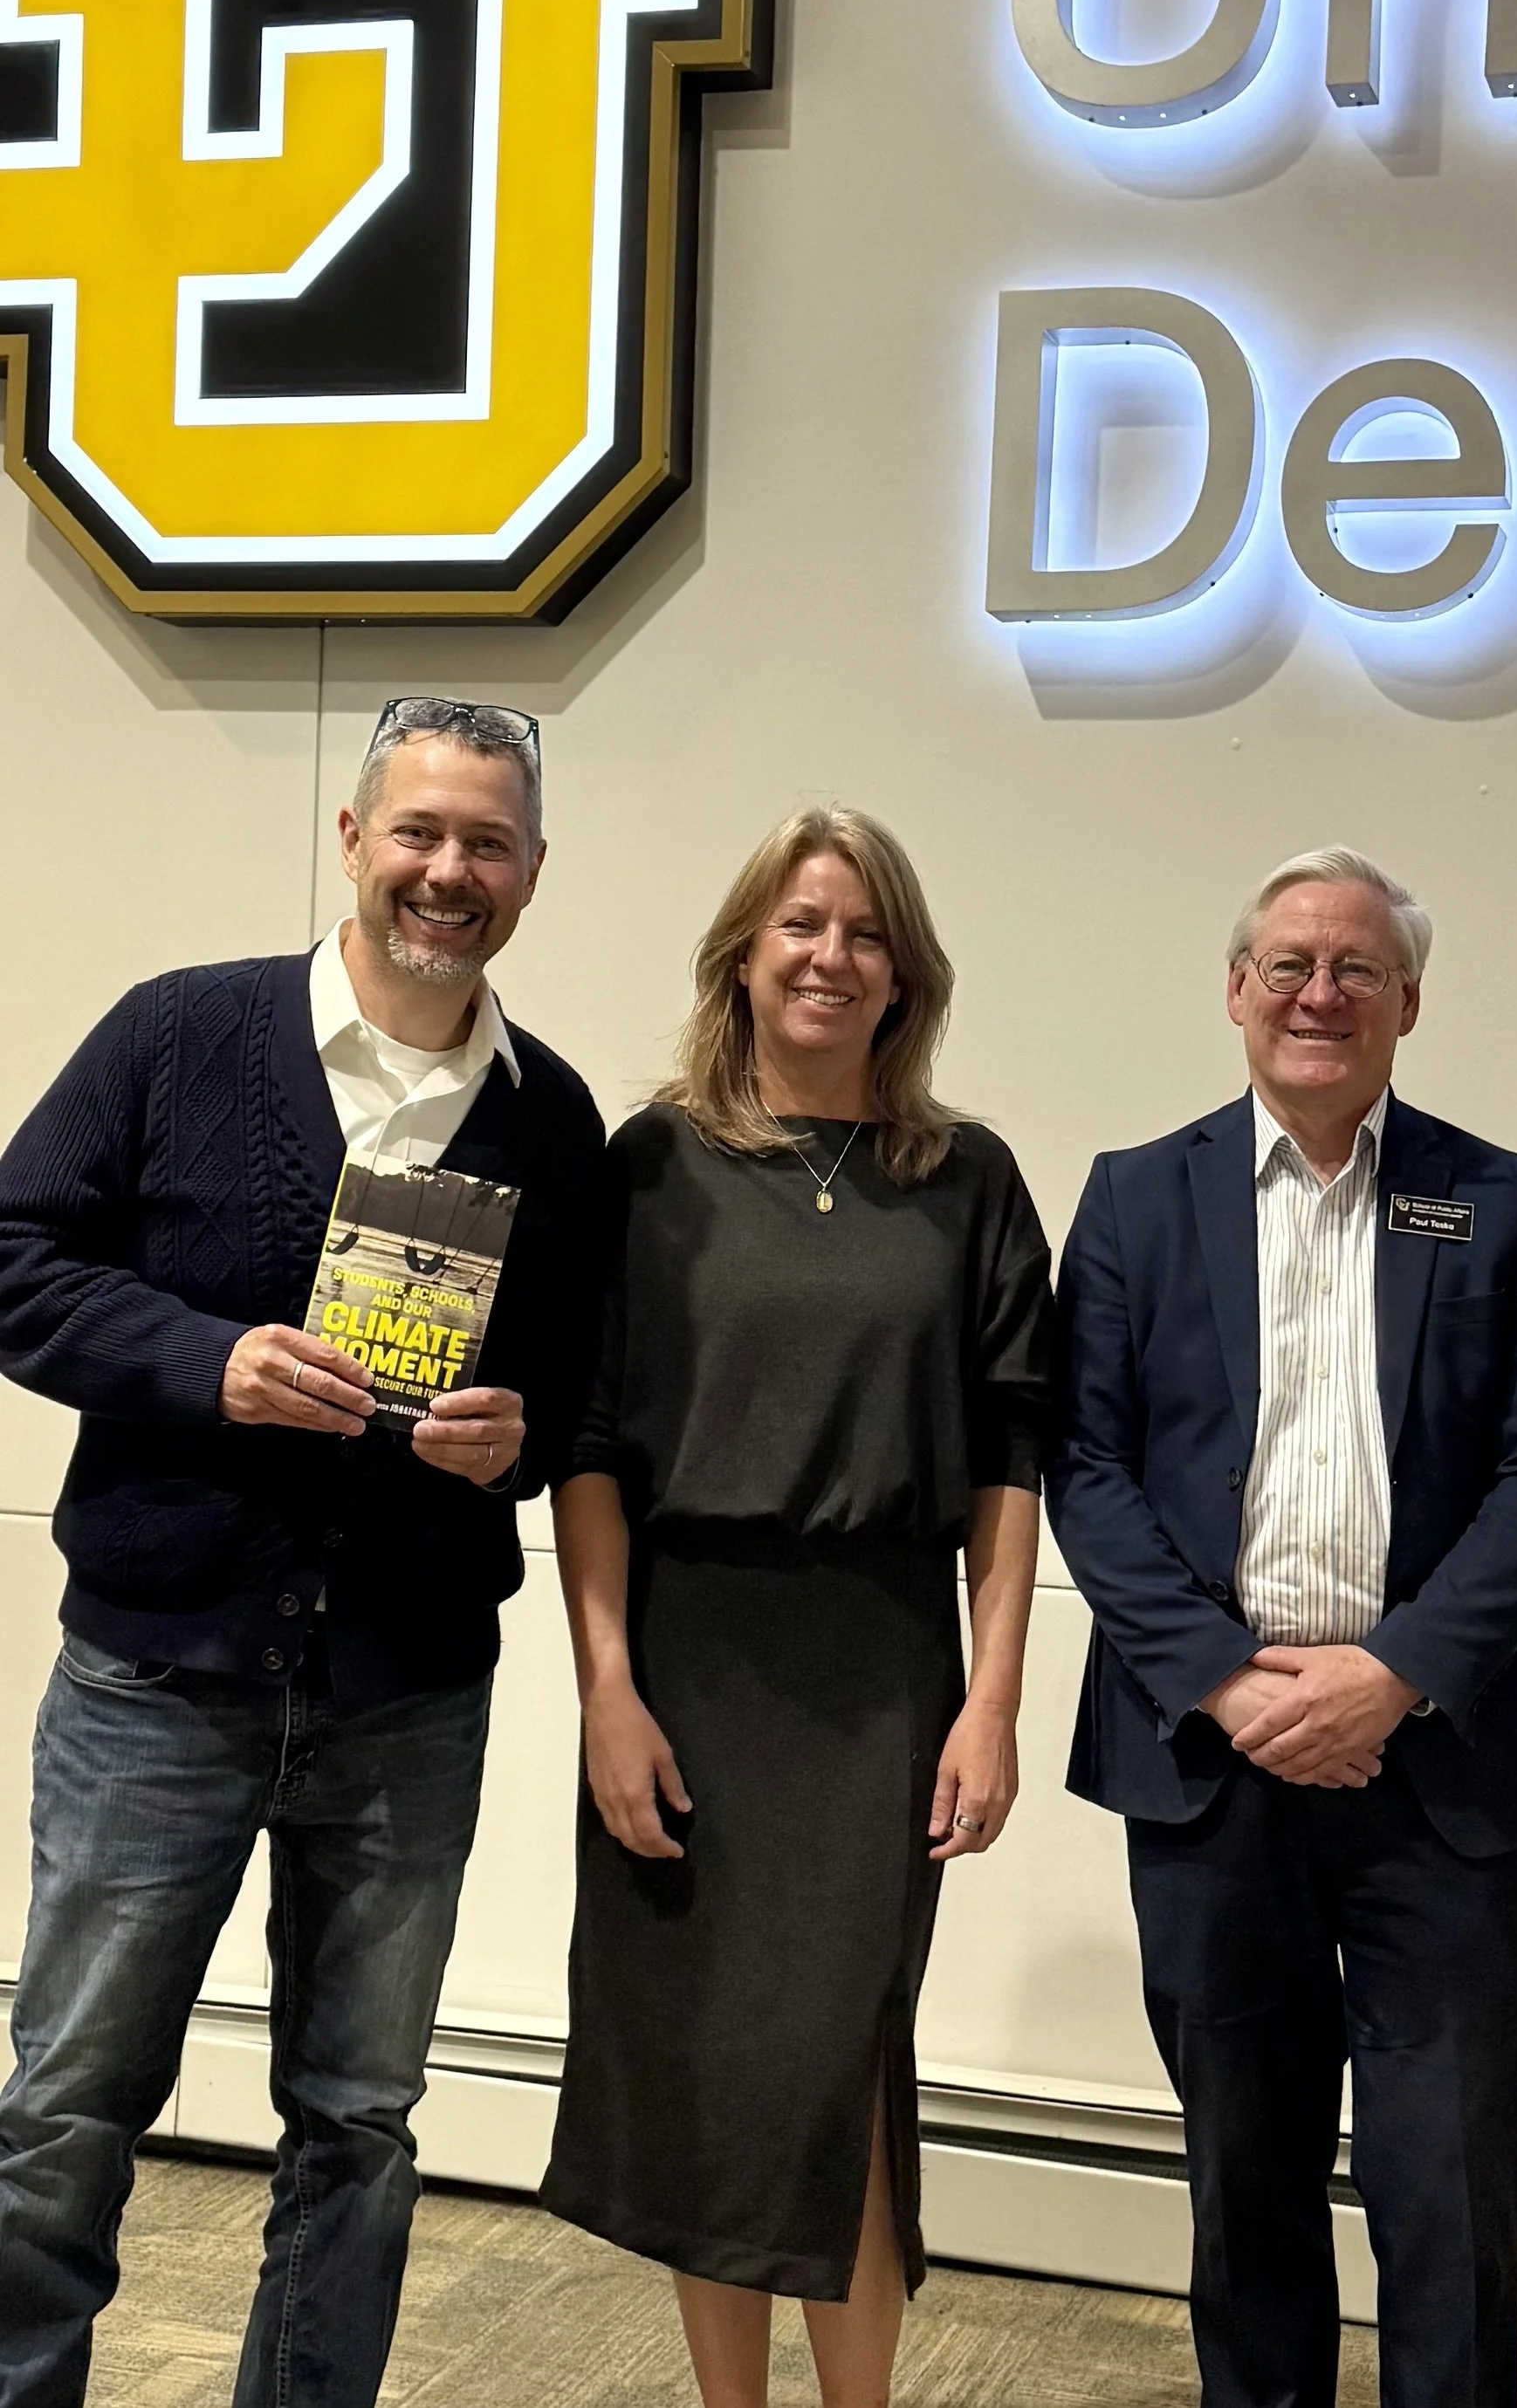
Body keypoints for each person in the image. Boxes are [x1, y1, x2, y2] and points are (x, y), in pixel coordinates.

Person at [0, 696, 605, 2408]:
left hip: (408, 1692)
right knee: (65, 2106)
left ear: (533, 873)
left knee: (361, 2122)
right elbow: (12, 1252)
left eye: (487, 842)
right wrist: (207, 1362)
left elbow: (573, 1394)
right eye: (419, 831)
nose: (448, 870)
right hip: (157, 1676)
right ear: (353, 839)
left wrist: (521, 1442)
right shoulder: (179, 1037)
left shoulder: (551, 1121)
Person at [1048, 847, 1517, 2408]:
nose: (1319, 992)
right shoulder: (1133, 1194)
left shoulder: (1504, 1200)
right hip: (1208, 1763)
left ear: (1408, 1002)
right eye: (1288, 963)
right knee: (1246, 2170)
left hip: (1439, 1771)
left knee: (1451, 2183)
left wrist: (1394, 1674)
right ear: (1235, 991)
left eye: (1357, 968)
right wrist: (1229, 1682)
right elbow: (1084, 1466)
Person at [540, 804, 1052, 2408]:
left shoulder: (965, 1178)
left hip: (881, 1667)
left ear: (905, 974)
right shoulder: (651, 1164)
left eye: (865, 932)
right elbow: (592, 1445)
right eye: (802, 925)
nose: (832, 956)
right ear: (744, 955)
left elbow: (1011, 1462)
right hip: (687, 1659)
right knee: (707, 2076)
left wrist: (993, 1696)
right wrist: (605, 1689)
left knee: (840, 2068)